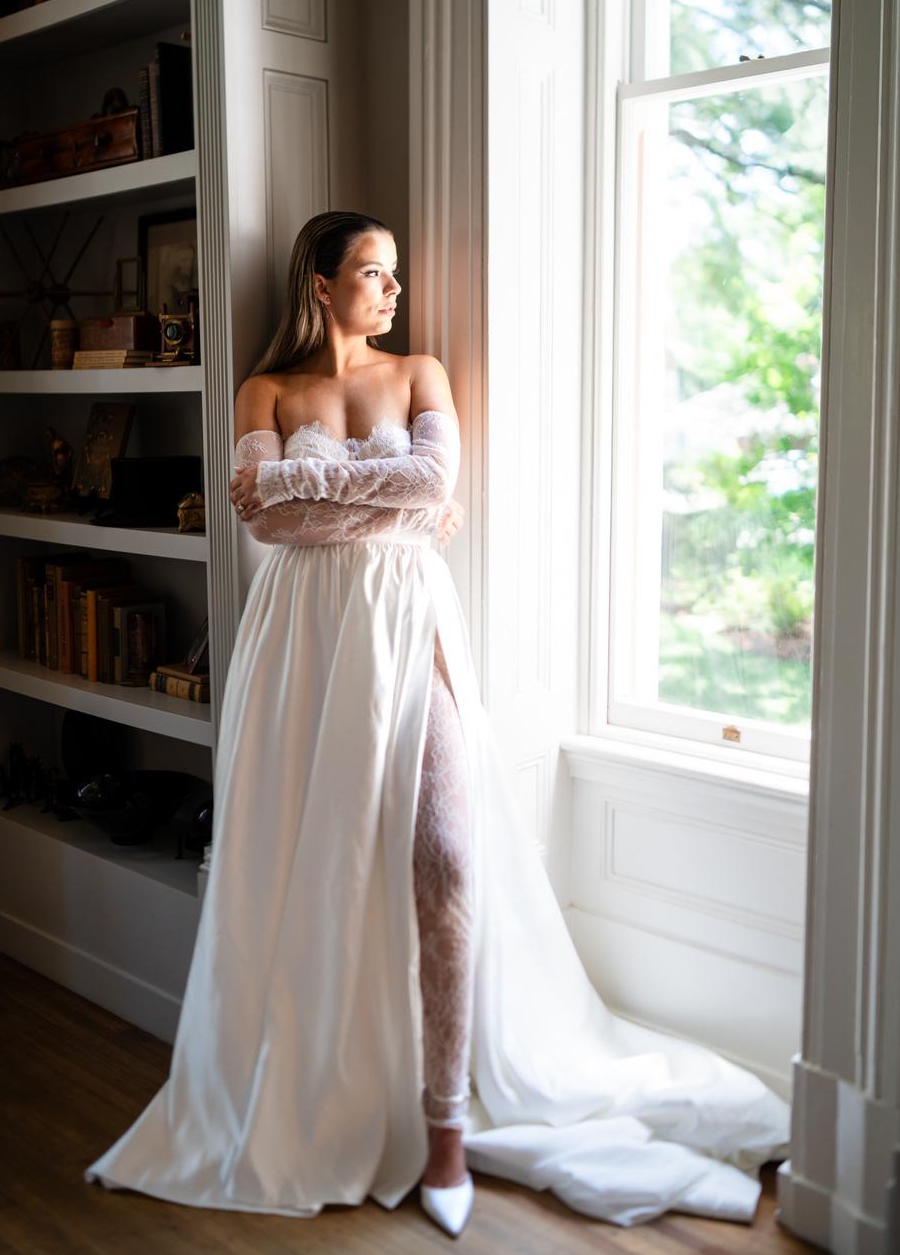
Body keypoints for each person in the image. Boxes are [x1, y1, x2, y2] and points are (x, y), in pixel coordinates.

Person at [86, 211, 790, 1233]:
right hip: (303, 645)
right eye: (372, 273)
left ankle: (448, 1127)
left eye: (395, 275)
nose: (393, 290)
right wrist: (373, 499)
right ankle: (335, 1094)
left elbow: (432, 483)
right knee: (315, 864)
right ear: (320, 285)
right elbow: (264, 517)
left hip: (409, 626)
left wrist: (305, 478)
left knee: (449, 857)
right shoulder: (264, 390)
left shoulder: (421, 373)